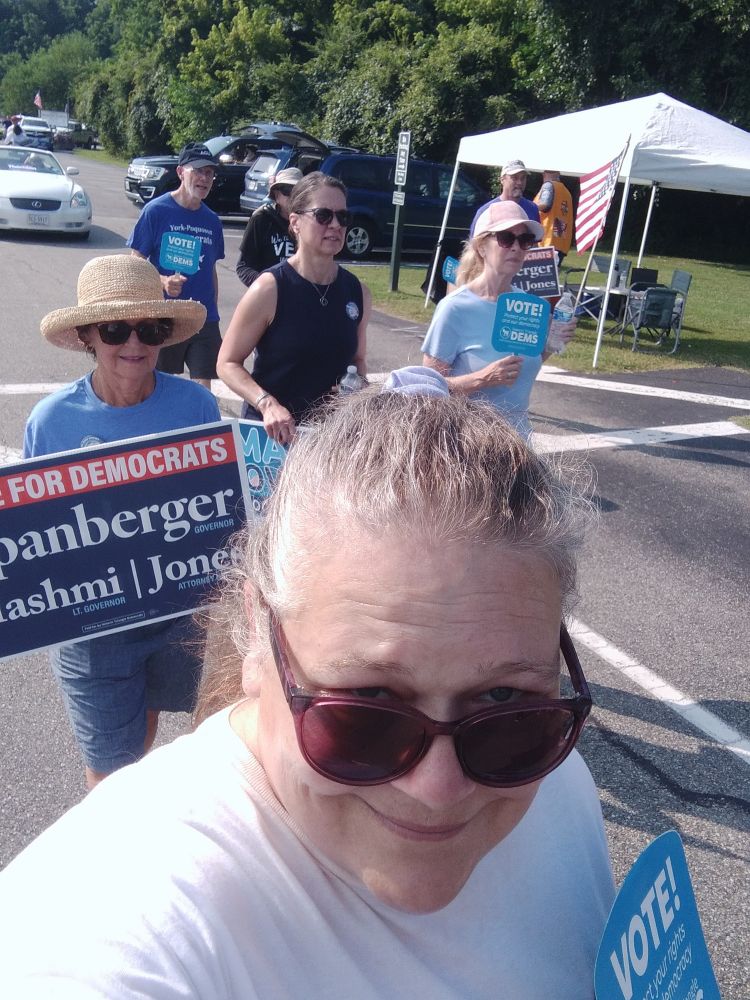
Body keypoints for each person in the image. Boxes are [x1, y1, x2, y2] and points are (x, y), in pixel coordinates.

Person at [0, 388, 614, 998]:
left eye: (507, 707)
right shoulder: (116, 912)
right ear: (260, 634)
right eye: (365, 712)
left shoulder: (559, 783)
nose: (439, 789)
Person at [22, 254, 221, 789]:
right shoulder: (52, 421)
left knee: (153, 729)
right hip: (93, 624)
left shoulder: (197, 407)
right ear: (88, 334)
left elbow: (218, 510)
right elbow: (35, 533)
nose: (134, 344)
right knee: (110, 768)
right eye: (115, 329)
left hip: (181, 611)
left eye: (150, 329)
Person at [217, 171, 370, 445]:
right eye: (324, 215)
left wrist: (356, 388)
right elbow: (226, 364)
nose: (335, 225)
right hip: (272, 439)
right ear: (296, 222)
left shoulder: (357, 292)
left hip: (329, 441)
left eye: (343, 217)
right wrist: (266, 404)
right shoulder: (270, 288)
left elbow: (357, 361)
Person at [421, 200, 576, 439]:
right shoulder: (454, 308)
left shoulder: (527, 306)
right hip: (468, 447)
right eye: (506, 238)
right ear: (482, 247)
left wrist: (551, 343)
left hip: (518, 444)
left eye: (524, 241)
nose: (516, 247)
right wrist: (482, 378)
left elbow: (524, 364)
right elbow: (427, 387)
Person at [127, 142, 225, 390]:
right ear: (181, 172)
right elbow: (135, 260)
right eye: (198, 171)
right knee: (161, 384)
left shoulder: (212, 221)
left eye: (210, 173)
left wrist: (212, 311)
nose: (204, 178)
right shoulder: (156, 211)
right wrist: (162, 281)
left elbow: (211, 268)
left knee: (204, 388)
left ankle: (203, 428)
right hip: (165, 316)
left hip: (203, 317)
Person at [236, 167, 302, 287]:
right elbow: (244, 266)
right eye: (287, 190)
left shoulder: (310, 221)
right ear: (276, 194)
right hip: (268, 296)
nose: (293, 196)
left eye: (298, 191)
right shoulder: (261, 218)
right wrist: (268, 285)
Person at [469, 158, 540, 237]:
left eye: (523, 178)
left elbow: (535, 243)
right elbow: (475, 243)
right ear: (502, 180)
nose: (520, 182)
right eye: (514, 178)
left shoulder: (532, 208)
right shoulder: (487, 211)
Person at [534, 169, 574, 263]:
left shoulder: (548, 185)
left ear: (544, 174)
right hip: (561, 242)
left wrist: (529, 207)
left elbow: (545, 205)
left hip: (546, 240)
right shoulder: (566, 192)